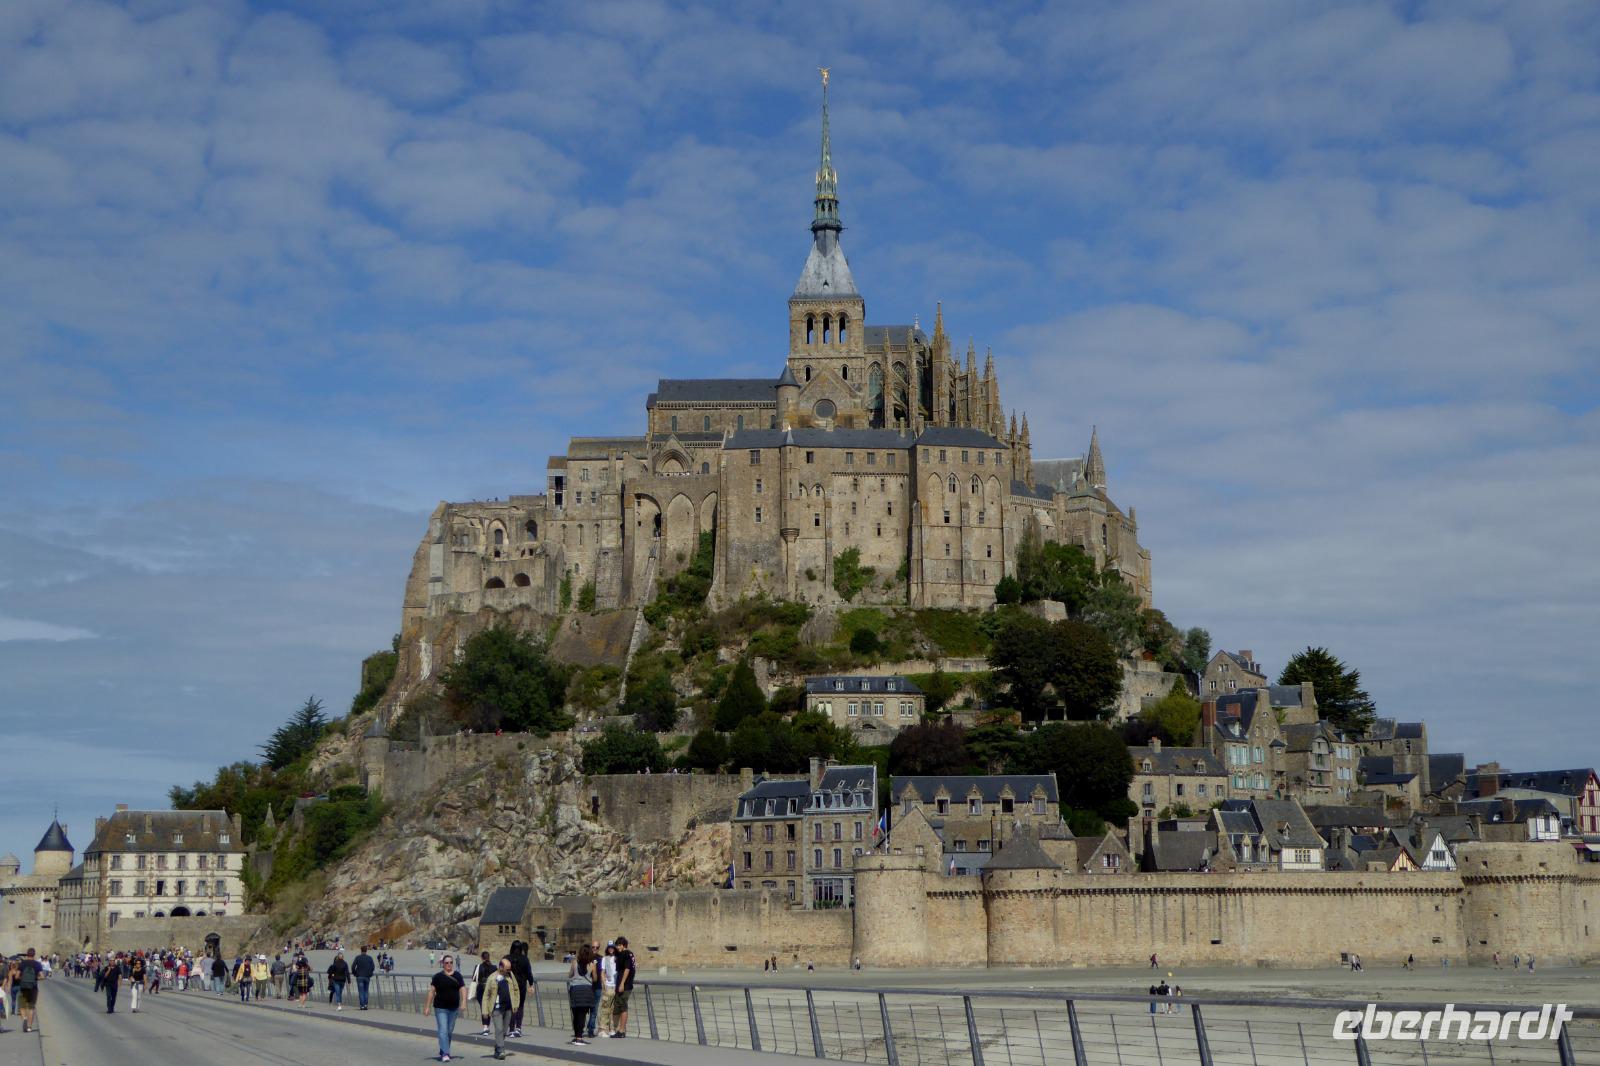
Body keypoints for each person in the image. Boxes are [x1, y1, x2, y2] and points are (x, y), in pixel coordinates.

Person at [422, 954, 466, 1063]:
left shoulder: (458, 976)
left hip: (453, 1008)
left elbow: (463, 989)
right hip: (440, 1008)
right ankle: (446, 1053)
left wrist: (464, 1002)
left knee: (449, 1031)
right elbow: (431, 992)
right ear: (443, 964)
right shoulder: (437, 977)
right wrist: (427, 1007)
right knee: (443, 1031)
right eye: (447, 963)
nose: (449, 964)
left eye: (451, 962)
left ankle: (443, 1050)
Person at [484, 956, 522, 1060]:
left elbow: (516, 989)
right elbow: (486, 995)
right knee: (499, 1029)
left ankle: (497, 1048)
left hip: (508, 1007)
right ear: (501, 967)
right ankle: (501, 1050)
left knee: (504, 1031)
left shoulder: (510, 975)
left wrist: (516, 1004)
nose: (509, 971)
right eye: (507, 969)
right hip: (496, 1008)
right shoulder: (492, 978)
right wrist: (485, 1011)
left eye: (510, 969)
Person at [566, 943, 597, 1045]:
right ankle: (579, 1038)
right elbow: (595, 978)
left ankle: (576, 1036)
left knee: (575, 1014)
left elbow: (570, 975)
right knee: (582, 1015)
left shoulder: (574, 962)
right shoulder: (592, 964)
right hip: (586, 990)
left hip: (575, 990)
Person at [610, 936, 636, 1039]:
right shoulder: (622, 954)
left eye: (620, 945)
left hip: (625, 985)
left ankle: (622, 1030)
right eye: (617, 945)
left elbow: (627, 969)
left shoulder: (626, 954)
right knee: (617, 1007)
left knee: (623, 1007)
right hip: (621, 984)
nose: (618, 947)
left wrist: (622, 984)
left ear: (624, 945)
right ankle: (617, 1030)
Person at [507, 941, 533, 1038]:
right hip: (521, 985)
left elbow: (501, 970)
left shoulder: (507, 958)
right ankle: (518, 1028)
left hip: (510, 985)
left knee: (511, 1006)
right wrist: (531, 984)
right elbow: (529, 973)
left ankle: (511, 1029)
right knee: (520, 1006)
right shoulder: (525, 959)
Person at [16, 948, 43, 1034]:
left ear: (27, 954)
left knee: (22, 1006)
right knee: (31, 1008)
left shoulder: (22, 963)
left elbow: (16, 976)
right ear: (34, 954)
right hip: (33, 988)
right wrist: (36, 978)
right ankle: (29, 1027)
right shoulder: (37, 964)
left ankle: (24, 1018)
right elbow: (42, 976)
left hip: (23, 987)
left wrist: (22, 979)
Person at [472, 952, 496, 1037]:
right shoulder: (494, 967)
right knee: (490, 1008)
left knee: (483, 1008)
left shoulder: (478, 967)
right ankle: (489, 1026)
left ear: (482, 958)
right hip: (491, 990)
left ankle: (486, 1027)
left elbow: (474, 978)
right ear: (489, 957)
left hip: (481, 989)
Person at [597, 942, 617, 1038]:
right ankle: (602, 1029)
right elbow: (602, 972)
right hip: (608, 986)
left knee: (613, 1009)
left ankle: (612, 1029)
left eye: (612, 947)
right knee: (605, 1008)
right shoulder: (605, 959)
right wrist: (604, 984)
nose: (611, 949)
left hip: (616, 986)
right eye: (609, 948)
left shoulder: (618, 958)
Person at [586, 940, 603, 1037]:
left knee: (594, 1010)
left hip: (597, 987)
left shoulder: (601, 958)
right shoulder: (586, 958)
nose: (595, 949)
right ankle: (583, 1028)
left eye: (597, 947)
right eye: (593, 947)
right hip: (587, 987)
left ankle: (590, 1029)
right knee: (584, 1009)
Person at [352, 946, 376, 1010]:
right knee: (366, 991)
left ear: (361, 950)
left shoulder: (358, 957)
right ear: (366, 950)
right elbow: (373, 967)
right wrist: (370, 973)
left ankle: (362, 1005)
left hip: (359, 976)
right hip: (367, 976)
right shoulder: (369, 958)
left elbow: (353, 966)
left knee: (361, 991)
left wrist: (355, 973)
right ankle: (365, 1005)